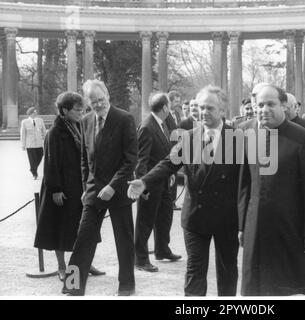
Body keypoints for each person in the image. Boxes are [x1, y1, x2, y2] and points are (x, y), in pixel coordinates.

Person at [128, 85, 241, 296]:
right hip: (195, 218)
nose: (203, 112)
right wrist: (143, 181)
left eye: (210, 108)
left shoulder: (239, 138)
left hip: (227, 218)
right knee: (194, 271)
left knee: (227, 271)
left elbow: (247, 183)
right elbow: (167, 163)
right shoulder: (188, 137)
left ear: (223, 110)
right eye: (200, 107)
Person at [238, 85, 305, 296]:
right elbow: (245, 184)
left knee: (290, 288)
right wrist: (242, 225)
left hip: (292, 229)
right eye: (260, 104)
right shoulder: (247, 134)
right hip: (256, 229)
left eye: (270, 104)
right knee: (257, 289)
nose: (264, 109)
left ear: (284, 106)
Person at [62, 80, 137, 296]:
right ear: (87, 102)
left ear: (108, 95)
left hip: (119, 190)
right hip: (94, 190)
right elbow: (85, 159)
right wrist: (87, 186)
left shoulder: (124, 119)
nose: (98, 104)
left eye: (101, 100)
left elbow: (131, 159)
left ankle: (126, 286)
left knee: (124, 241)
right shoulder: (85, 121)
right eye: (93, 101)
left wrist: (114, 186)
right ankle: (73, 285)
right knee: (83, 238)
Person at [34, 92, 105, 281]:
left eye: (82, 109)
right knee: (61, 228)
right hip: (61, 188)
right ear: (64, 110)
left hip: (79, 187)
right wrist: (55, 189)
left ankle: (85, 262)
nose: (81, 112)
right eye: (77, 109)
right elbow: (50, 163)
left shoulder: (77, 126)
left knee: (83, 227)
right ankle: (62, 266)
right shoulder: (55, 132)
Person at [135, 92, 181, 273]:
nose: (171, 108)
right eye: (169, 105)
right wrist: (142, 186)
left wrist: (169, 173)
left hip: (163, 181)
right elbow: (141, 160)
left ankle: (162, 249)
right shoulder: (147, 126)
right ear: (164, 108)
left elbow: (164, 152)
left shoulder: (161, 124)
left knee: (165, 216)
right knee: (145, 221)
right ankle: (140, 258)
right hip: (150, 184)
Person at [20, 107, 46, 179]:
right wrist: (23, 145)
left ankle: (32, 168)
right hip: (30, 145)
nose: (36, 113)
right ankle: (35, 173)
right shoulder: (24, 122)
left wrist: (46, 140)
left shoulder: (40, 120)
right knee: (32, 159)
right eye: (35, 112)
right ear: (30, 113)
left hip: (39, 144)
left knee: (40, 156)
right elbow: (23, 134)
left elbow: (44, 131)